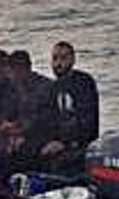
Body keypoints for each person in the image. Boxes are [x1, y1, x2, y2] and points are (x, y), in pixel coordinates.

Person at [40, 41, 99, 171]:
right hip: (61, 143)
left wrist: (65, 143)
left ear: (72, 60)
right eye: (55, 58)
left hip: (82, 144)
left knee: (61, 163)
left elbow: (88, 120)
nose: (58, 63)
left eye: (63, 58)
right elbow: (48, 120)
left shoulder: (83, 82)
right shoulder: (53, 87)